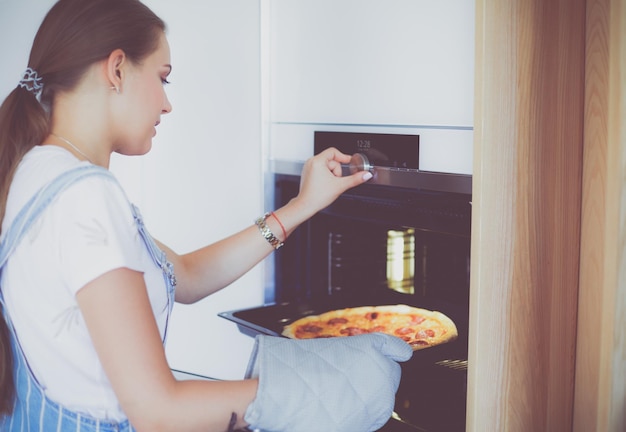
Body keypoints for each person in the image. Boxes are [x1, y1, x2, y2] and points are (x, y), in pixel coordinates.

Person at [0, 0, 413, 431]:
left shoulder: (35, 172)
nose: (166, 104)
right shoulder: (85, 195)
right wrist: (328, 386)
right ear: (117, 69)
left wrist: (300, 207)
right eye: (163, 79)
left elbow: (185, 275)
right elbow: (158, 409)